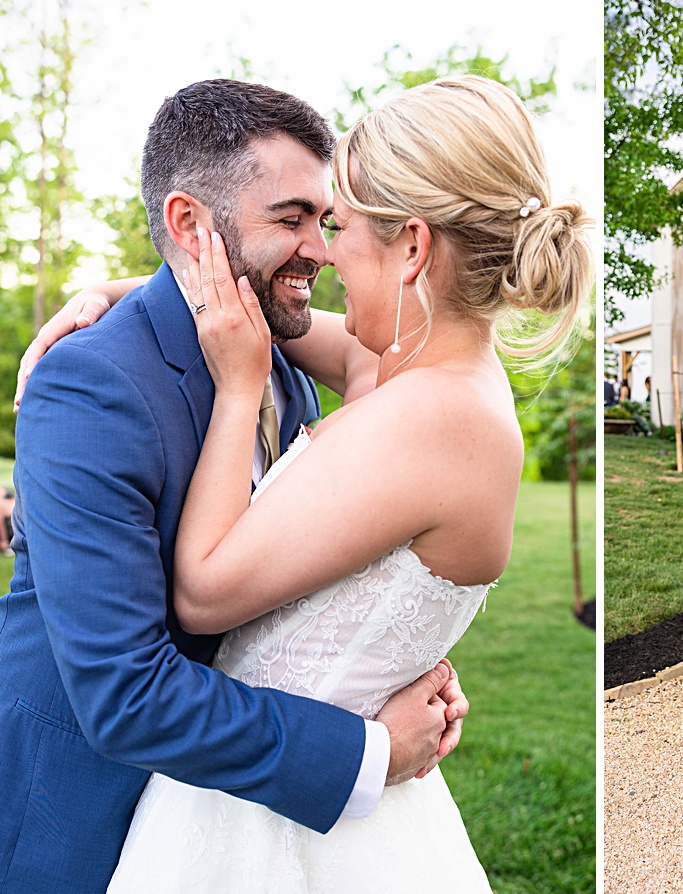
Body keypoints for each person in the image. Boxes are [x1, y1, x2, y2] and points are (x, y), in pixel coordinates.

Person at [25, 75, 592, 890]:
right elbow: (245, 313)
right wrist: (116, 293)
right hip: (192, 791)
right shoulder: (408, 368)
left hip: (272, 833)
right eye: (305, 222)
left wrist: (237, 389)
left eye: (340, 224)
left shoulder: (431, 417)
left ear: (414, 247)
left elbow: (205, 592)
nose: (326, 252)